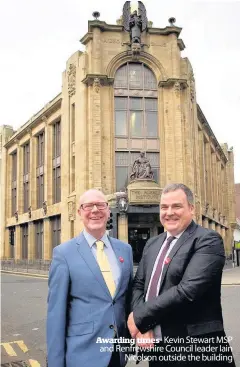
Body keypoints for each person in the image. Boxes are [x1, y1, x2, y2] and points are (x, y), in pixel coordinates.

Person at [128, 183, 236, 366]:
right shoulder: (152, 244)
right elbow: (139, 285)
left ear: (191, 209)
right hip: (159, 350)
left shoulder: (207, 240)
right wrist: (143, 324)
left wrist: (139, 317)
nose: (169, 212)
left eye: (176, 206)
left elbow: (187, 290)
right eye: (164, 207)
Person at [47, 189, 133, 367]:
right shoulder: (64, 254)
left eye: (100, 205)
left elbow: (127, 300)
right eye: (88, 206)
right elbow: (56, 315)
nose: (95, 210)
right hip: (82, 355)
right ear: (79, 212)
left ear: (108, 210)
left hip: (118, 354)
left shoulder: (125, 250)